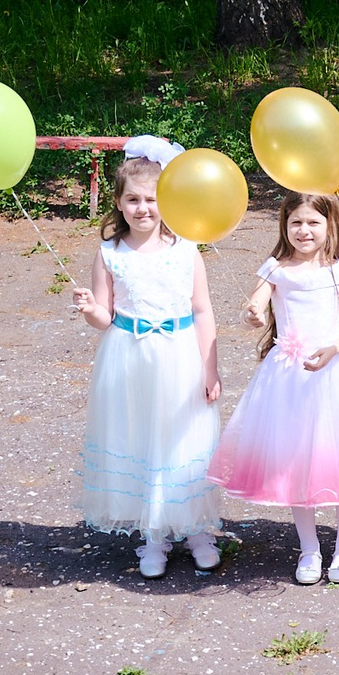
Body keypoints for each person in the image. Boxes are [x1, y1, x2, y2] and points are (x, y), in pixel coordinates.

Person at [208, 192, 339, 583]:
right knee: (294, 462)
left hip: (334, 371)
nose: (304, 230)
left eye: (313, 223)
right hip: (288, 378)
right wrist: (253, 314)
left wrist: (332, 349)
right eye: (296, 223)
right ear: (285, 225)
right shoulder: (276, 268)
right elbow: (254, 306)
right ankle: (309, 549)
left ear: (330, 226)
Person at [74, 135, 224, 578]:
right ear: (118, 204)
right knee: (142, 440)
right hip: (130, 357)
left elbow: (202, 310)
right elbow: (105, 316)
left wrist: (210, 368)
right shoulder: (109, 254)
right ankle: (153, 537)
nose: (143, 208)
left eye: (152, 199)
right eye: (133, 200)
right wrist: (90, 310)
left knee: (183, 440)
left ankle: (196, 530)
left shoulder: (185, 249)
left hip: (179, 355)